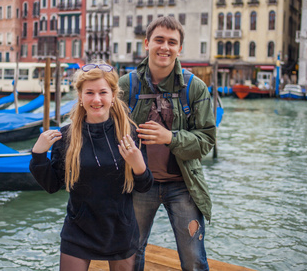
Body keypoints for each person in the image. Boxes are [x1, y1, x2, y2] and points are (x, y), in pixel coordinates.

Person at [29, 62, 154, 271]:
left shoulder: (129, 133)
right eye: (89, 93)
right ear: (80, 96)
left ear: (113, 96)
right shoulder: (66, 136)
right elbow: (52, 185)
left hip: (120, 230)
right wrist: (38, 154)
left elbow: (145, 186)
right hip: (78, 232)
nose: (96, 99)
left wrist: (138, 165)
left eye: (103, 92)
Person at [119, 16, 216, 271]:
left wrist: (170, 138)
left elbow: (207, 140)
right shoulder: (126, 85)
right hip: (140, 183)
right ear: (147, 43)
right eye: (159, 40)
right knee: (131, 253)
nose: (165, 47)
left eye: (172, 42)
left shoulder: (195, 88)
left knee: (193, 258)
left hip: (183, 184)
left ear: (180, 48)